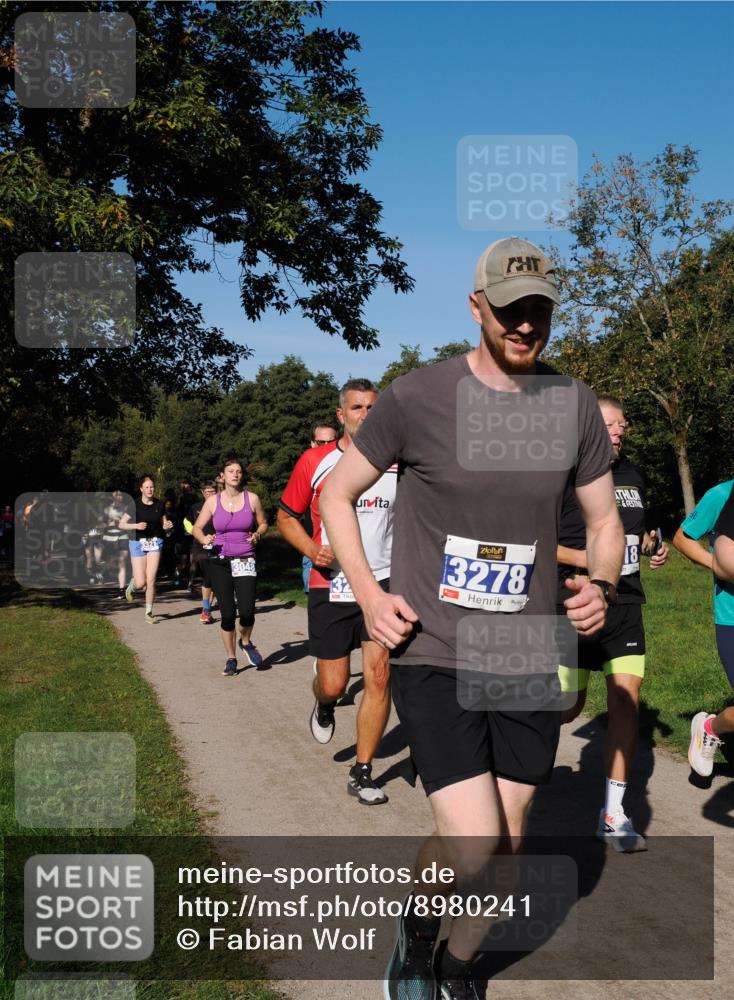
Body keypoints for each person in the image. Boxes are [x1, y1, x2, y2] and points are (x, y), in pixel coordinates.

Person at [320, 237, 623, 999]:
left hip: (528, 651)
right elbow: (336, 496)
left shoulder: (572, 404)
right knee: (478, 843)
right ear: (476, 306)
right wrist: (367, 589)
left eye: (540, 312)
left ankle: (453, 968)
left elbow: (605, 520)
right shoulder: (417, 397)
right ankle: (421, 936)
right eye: (512, 311)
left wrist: (605, 583)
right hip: (435, 648)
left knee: (505, 852)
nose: (527, 326)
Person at [557, 395, 668, 851]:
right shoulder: (563, 477)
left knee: (627, 700)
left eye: (622, 425)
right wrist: (589, 561)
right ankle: (508, 759)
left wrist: (651, 545)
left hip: (625, 605)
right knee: (565, 707)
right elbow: (537, 542)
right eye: (609, 424)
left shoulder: (632, 476)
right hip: (575, 603)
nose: (619, 432)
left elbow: (633, 529)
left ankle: (613, 814)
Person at [277, 380, 396, 806]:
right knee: (335, 682)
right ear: (341, 414)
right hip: (331, 582)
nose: (366, 414)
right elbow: (285, 517)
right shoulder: (316, 460)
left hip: (383, 582)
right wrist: (312, 550)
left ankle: (362, 770)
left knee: (379, 676)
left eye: (372, 407)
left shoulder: (399, 463)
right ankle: (325, 704)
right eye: (357, 407)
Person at [672, 481, 734, 776]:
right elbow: (682, 538)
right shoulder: (721, 494)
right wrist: (719, 565)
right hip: (731, 618)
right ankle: (711, 727)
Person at [192, 458, 268, 674]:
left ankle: (246, 642)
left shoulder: (252, 499)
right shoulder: (213, 502)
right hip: (220, 562)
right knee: (227, 614)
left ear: (242, 476)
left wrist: (257, 534)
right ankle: (231, 658)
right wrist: (203, 538)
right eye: (230, 471)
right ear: (222, 476)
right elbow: (197, 528)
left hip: (245, 560)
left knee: (246, 613)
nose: (235, 474)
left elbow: (263, 523)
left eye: (238, 471)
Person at [119, 475, 173, 624]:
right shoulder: (134, 504)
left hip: (155, 543)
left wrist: (167, 526)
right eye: (147, 487)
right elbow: (121, 524)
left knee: (151, 579)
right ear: (141, 489)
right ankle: (133, 584)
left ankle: (148, 612)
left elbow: (164, 523)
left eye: (152, 487)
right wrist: (135, 526)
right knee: (140, 583)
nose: (150, 489)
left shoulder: (159, 504)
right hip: (137, 543)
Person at [302, 422, 338, 592]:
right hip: (314, 547)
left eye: (330, 442)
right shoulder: (305, 470)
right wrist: (309, 548)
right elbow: (286, 517)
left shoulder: (351, 469)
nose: (326, 447)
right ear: (312, 443)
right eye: (320, 443)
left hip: (345, 548)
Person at [185, 481, 217, 624]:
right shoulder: (196, 507)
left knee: (216, 578)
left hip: (219, 546)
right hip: (201, 546)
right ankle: (206, 610)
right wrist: (195, 533)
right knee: (208, 576)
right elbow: (186, 522)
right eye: (208, 491)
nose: (210, 494)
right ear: (203, 493)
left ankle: (207, 610)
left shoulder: (222, 506)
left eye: (213, 491)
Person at [102, 490, 131, 598]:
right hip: (109, 538)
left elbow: (131, 522)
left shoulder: (126, 508)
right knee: (109, 563)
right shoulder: (106, 509)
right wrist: (111, 523)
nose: (119, 497)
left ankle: (121, 589)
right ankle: (104, 573)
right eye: (116, 495)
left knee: (122, 561)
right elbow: (100, 524)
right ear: (111, 497)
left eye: (121, 495)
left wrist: (123, 523)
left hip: (122, 536)